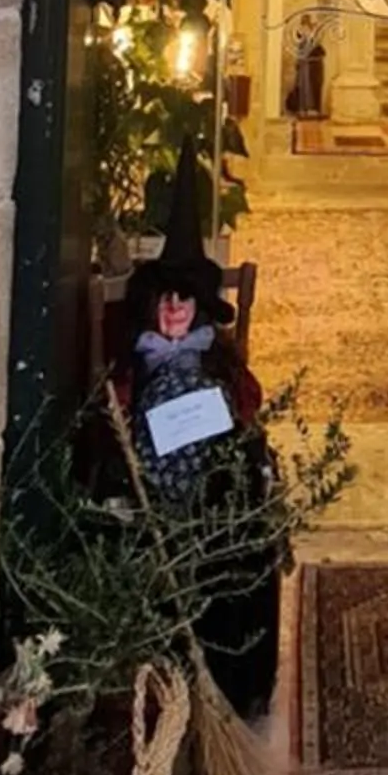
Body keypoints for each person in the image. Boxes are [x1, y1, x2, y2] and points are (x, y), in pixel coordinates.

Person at [108, 139, 284, 719]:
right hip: (157, 497)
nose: (175, 309)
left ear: (199, 306)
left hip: (214, 497)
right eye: (166, 299)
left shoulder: (217, 358)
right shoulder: (135, 362)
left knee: (242, 543)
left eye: (184, 299)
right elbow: (116, 417)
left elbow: (247, 408)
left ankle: (236, 680)